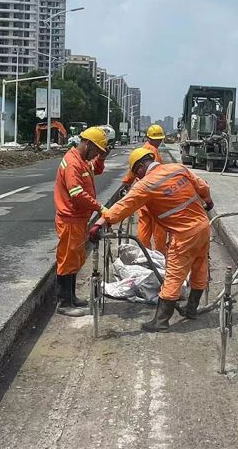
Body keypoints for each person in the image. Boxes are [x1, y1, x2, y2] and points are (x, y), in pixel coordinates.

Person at [91, 147, 214, 332]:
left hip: (184, 234)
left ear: (140, 167)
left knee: (173, 275)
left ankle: (161, 321)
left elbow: (123, 205)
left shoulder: (146, 185)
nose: (137, 177)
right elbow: (202, 186)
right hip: (203, 226)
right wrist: (208, 200)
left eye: (136, 173)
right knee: (200, 266)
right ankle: (191, 309)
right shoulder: (177, 168)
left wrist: (100, 223)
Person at [54, 126, 109, 316]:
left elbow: (96, 170)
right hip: (70, 219)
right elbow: (77, 194)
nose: (96, 155)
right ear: (87, 145)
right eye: (96, 151)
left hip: (78, 219)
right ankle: (64, 303)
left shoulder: (83, 161)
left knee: (75, 259)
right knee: (67, 260)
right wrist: (99, 207)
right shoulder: (73, 163)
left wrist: (101, 157)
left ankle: (71, 297)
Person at [121, 124, 168, 253]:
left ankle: (144, 254)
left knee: (144, 225)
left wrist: (127, 183)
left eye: (160, 139)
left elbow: (133, 171)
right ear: (150, 138)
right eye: (157, 139)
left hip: (143, 195)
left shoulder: (143, 150)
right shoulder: (152, 153)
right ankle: (160, 255)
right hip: (155, 197)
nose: (158, 142)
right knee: (159, 228)